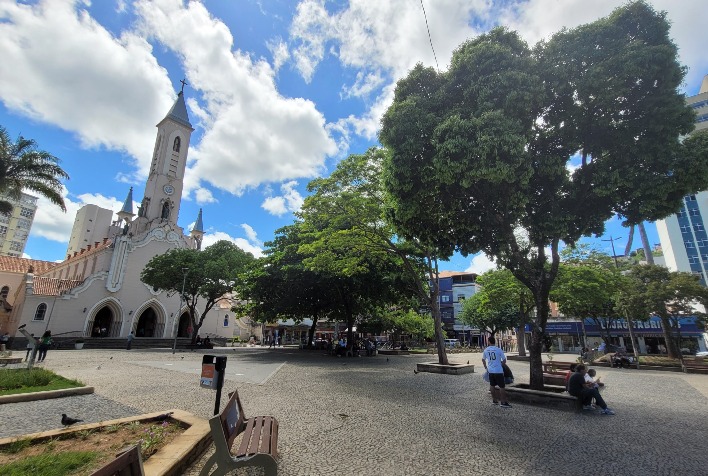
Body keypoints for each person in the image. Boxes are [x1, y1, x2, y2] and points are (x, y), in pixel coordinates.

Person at [482, 336, 512, 408]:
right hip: (498, 371)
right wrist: (500, 365)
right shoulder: (499, 350)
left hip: (490, 371)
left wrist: (486, 367)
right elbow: (504, 360)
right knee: (502, 386)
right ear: (494, 342)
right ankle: (503, 402)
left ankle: (494, 400)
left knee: (492, 385)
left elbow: (483, 360)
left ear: (489, 342)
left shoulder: (486, 350)